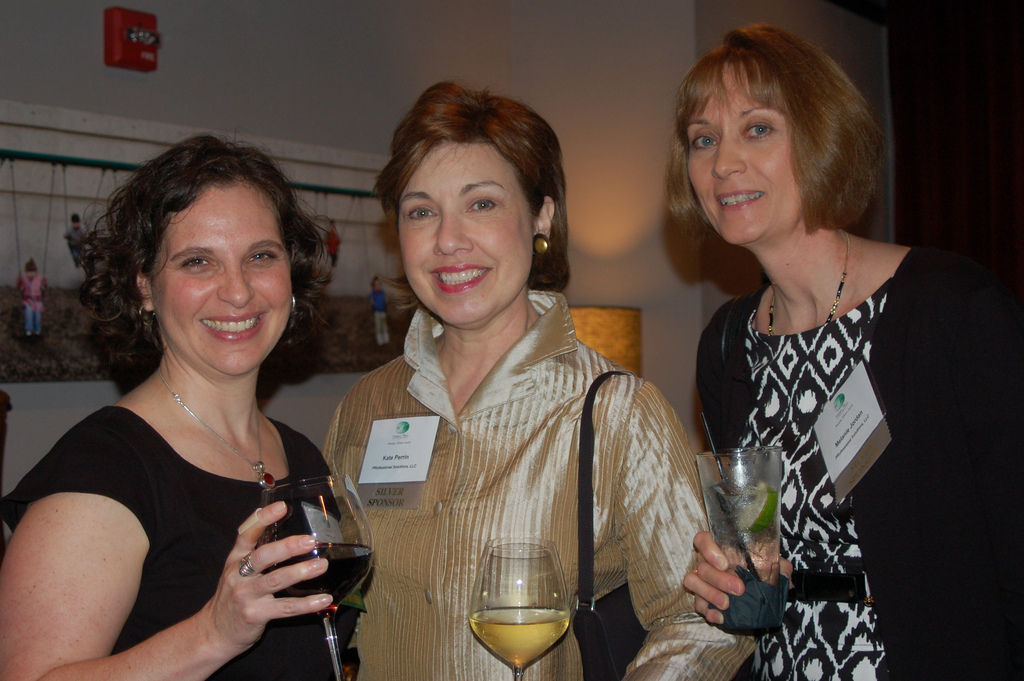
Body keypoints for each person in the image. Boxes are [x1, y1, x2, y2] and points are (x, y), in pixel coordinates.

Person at [322, 81, 750, 680]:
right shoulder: (365, 407)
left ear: (541, 215)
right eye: (421, 211)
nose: (448, 240)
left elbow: (701, 621)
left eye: (481, 204)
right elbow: (338, 601)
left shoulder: (618, 411)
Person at [670, 24, 1024, 680]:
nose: (722, 164)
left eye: (757, 129)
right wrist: (731, 587)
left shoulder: (951, 311)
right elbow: (757, 560)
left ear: (821, 136)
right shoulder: (727, 345)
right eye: (703, 139)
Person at [0, 134, 337, 681]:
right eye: (198, 262)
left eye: (260, 256)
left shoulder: (301, 457)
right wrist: (213, 634)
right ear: (143, 286)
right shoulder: (102, 471)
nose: (237, 291)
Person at [15, 257, 46, 336]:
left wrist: (45, 281)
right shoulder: (23, 279)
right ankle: (29, 329)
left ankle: (37, 329)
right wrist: (18, 280)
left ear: (36, 272)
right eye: (29, 272)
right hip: (28, 301)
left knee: (37, 316)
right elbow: (18, 287)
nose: (31, 274)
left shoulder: (39, 278)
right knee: (28, 314)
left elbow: (45, 285)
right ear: (26, 272)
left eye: (33, 272)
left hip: (38, 300)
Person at [369, 275, 388, 345]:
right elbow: (370, 299)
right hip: (377, 312)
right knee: (378, 326)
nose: (378, 286)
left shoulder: (382, 293)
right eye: (376, 285)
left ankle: (386, 339)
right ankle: (380, 340)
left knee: (384, 326)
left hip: (383, 311)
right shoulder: (373, 294)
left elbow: (384, 301)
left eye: (379, 284)